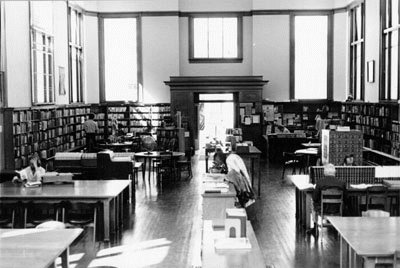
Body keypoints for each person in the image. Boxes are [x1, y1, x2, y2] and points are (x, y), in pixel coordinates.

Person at [308, 163, 346, 235]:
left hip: (323, 209)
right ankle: (338, 228)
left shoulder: (320, 182)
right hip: (337, 209)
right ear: (335, 172)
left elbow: (315, 198)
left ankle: (315, 228)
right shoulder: (342, 183)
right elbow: (346, 198)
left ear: (324, 172)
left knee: (312, 201)